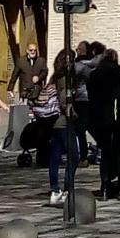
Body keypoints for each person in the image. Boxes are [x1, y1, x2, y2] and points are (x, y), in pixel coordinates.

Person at [86, 47, 120, 198]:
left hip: (101, 117)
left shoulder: (95, 75)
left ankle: (105, 186)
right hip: (119, 116)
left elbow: (91, 96)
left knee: (105, 153)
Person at [42, 50, 80, 206]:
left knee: (55, 157)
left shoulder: (54, 77)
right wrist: (75, 114)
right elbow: (65, 100)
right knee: (74, 156)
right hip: (64, 122)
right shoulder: (65, 78)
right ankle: (65, 190)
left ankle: (54, 190)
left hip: (54, 122)